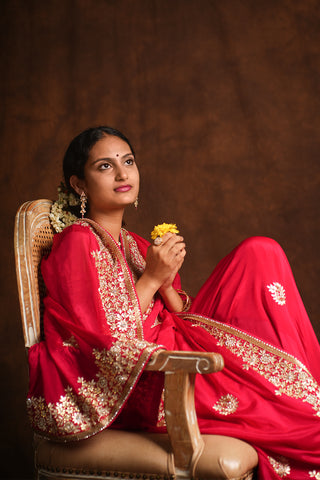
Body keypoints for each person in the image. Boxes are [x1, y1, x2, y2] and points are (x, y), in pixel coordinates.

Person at [27, 126, 320, 478]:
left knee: (260, 252)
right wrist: (150, 278)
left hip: (178, 342)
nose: (122, 174)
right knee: (291, 413)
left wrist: (164, 282)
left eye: (128, 162)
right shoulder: (78, 242)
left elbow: (178, 313)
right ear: (79, 184)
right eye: (105, 166)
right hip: (148, 376)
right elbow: (101, 340)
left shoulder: (134, 242)